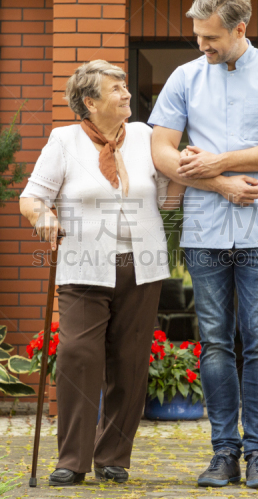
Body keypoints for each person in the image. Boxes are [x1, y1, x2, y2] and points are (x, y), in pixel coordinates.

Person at [149, 0, 258, 490]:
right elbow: (162, 151)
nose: (202, 45)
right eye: (198, 36)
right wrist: (219, 183)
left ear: (239, 29)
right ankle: (223, 453)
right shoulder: (184, 77)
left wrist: (221, 159)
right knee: (215, 343)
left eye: (211, 37)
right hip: (204, 228)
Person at [19, 60, 185, 486]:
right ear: (90, 102)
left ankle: (113, 457)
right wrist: (44, 217)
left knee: (130, 361)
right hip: (83, 265)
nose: (126, 93)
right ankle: (72, 459)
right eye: (116, 89)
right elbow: (32, 197)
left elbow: (167, 198)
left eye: (125, 86)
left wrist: (185, 176)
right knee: (79, 355)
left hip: (141, 265)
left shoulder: (147, 136)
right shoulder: (64, 140)